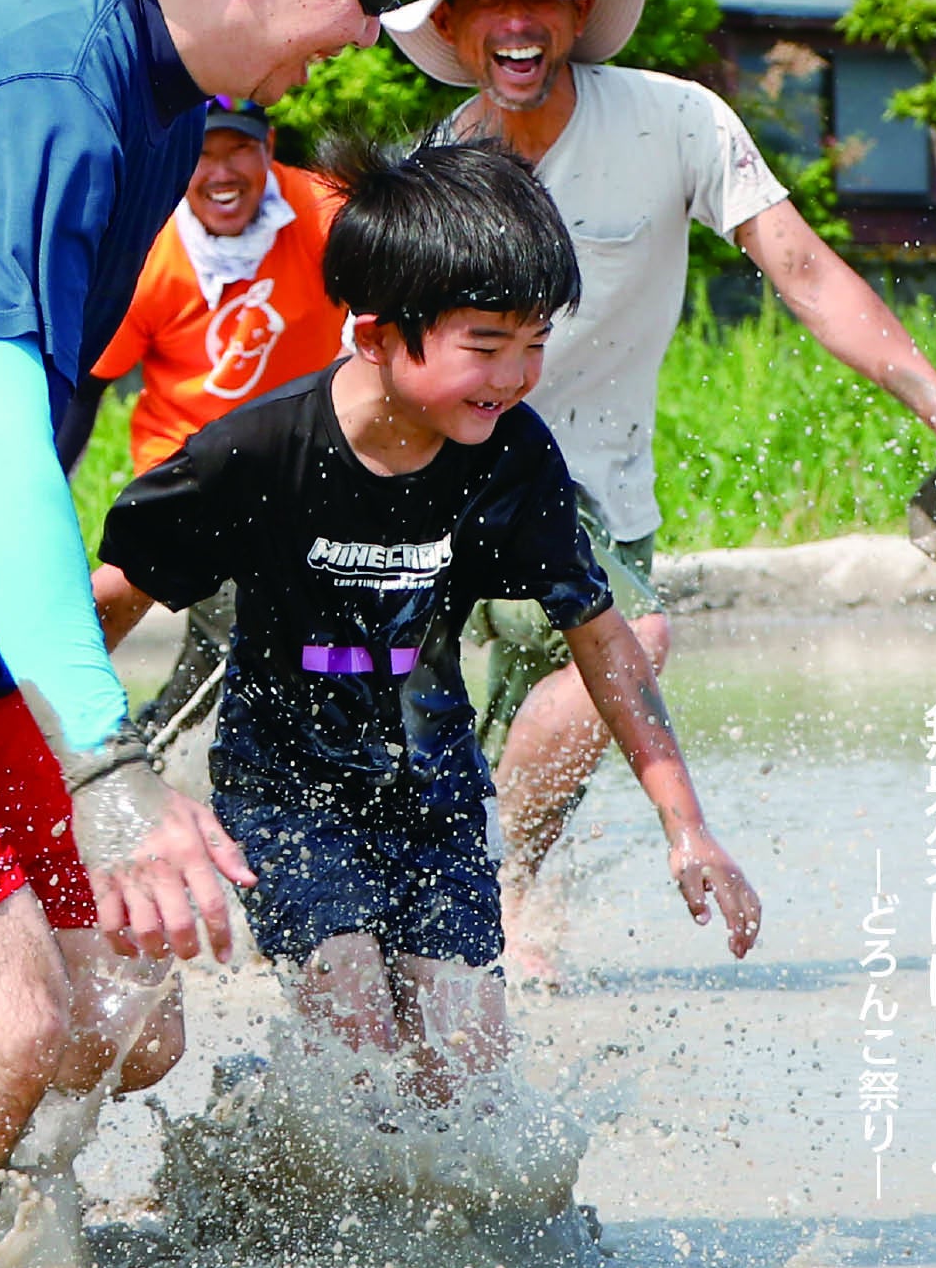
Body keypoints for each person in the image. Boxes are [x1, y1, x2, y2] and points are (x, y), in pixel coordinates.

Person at [0, 0, 433, 1268]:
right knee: (8, 1032)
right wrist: (114, 766)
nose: (379, 29)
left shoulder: (164, 82)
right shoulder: (50, 99)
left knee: (130, 1015)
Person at [382, 0, 936, 970]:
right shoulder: (436, 173)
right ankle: (446, 900)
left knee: (623, 659)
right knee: (430, 720)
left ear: (578, 18)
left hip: (600, 484)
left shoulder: (673, 120)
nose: (514, 22)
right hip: (455, 471)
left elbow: (804, 270)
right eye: (485, 2)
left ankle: (507, 879)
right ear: (450, 31)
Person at [91, 137, 761, 1106]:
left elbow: (601, 636)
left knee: (466, 1064)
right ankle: (261, 1153)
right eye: (486, 346)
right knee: (355, 1017)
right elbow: (109, 598)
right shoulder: (256, 451)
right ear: (373, 336)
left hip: (432, 782)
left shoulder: (510, 457)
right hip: (288, 786)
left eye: (535, 342)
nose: (517, 373)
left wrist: (687, 827)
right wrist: (57, 764)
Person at [59, 96, 346, 740]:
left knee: (239, 650)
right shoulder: (148, 245)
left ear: (268, 146)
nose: (220, 171)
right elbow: (87, 390)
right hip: (188, 477)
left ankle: (158, 751)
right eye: (201, 152)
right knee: (244, 620)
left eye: (238, 148)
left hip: (305, 474)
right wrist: (42, 495)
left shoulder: (325, 212)